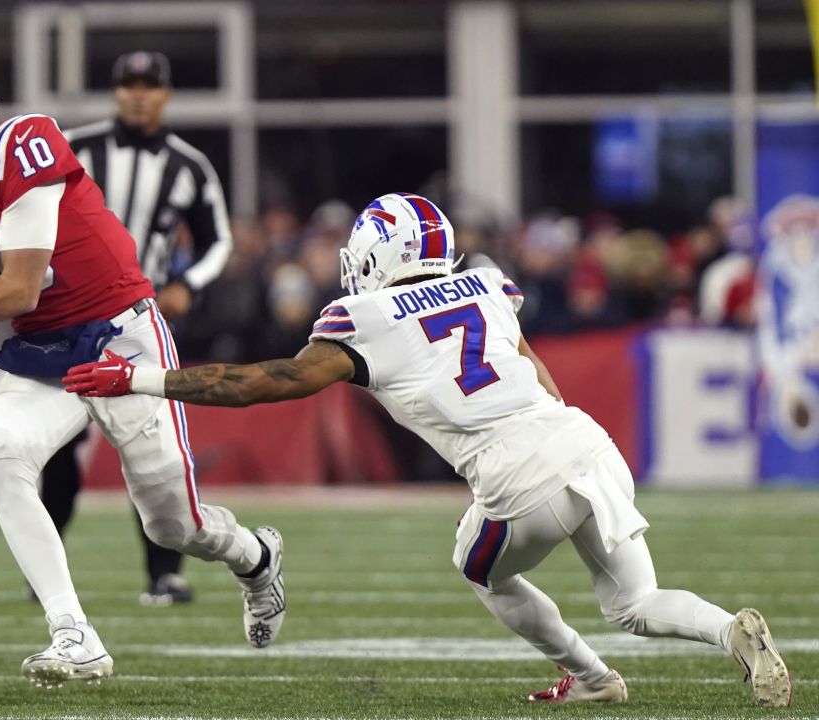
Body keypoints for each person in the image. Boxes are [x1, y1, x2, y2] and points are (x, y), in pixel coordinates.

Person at [64, 192, 794, 708]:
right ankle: (730, 629)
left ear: (378, 254)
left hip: (517, 477)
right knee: (636, 602)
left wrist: (144, 376)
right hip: (583, 442)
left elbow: (270, 381)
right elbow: (536, 370)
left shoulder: (364, 316)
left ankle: (592, 676)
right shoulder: (484, 285)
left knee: (477, 569)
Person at [0, 67, 285, 688]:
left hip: (122, 334)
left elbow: (22, 285)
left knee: (173, 524)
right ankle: (73, 633)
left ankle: (255, 557)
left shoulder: (21, 144)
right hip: (44, 350)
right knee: (3, 460)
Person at [44, 50, 235, 606]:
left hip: (139, 318)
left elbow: (217, 241)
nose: (138, 93)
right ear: (116, 91)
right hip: (69, 313)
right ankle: (47, 570)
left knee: (151, 446)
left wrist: (188, 284)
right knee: (58, 447)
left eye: (150, 85)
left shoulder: (189, 165)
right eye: (129, 84)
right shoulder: (75, 148)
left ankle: (164, 573)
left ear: (166, 94)